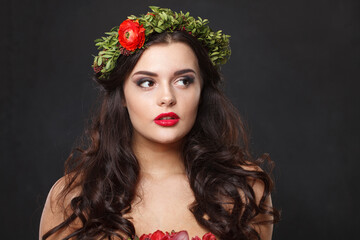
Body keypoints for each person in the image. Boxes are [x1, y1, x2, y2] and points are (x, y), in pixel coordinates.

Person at [39, 6, 280, 240]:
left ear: (202, 89)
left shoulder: (245, 191)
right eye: (146, 82)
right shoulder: (73, 198)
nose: (167, 98)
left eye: (184, 81)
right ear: (122, 96)